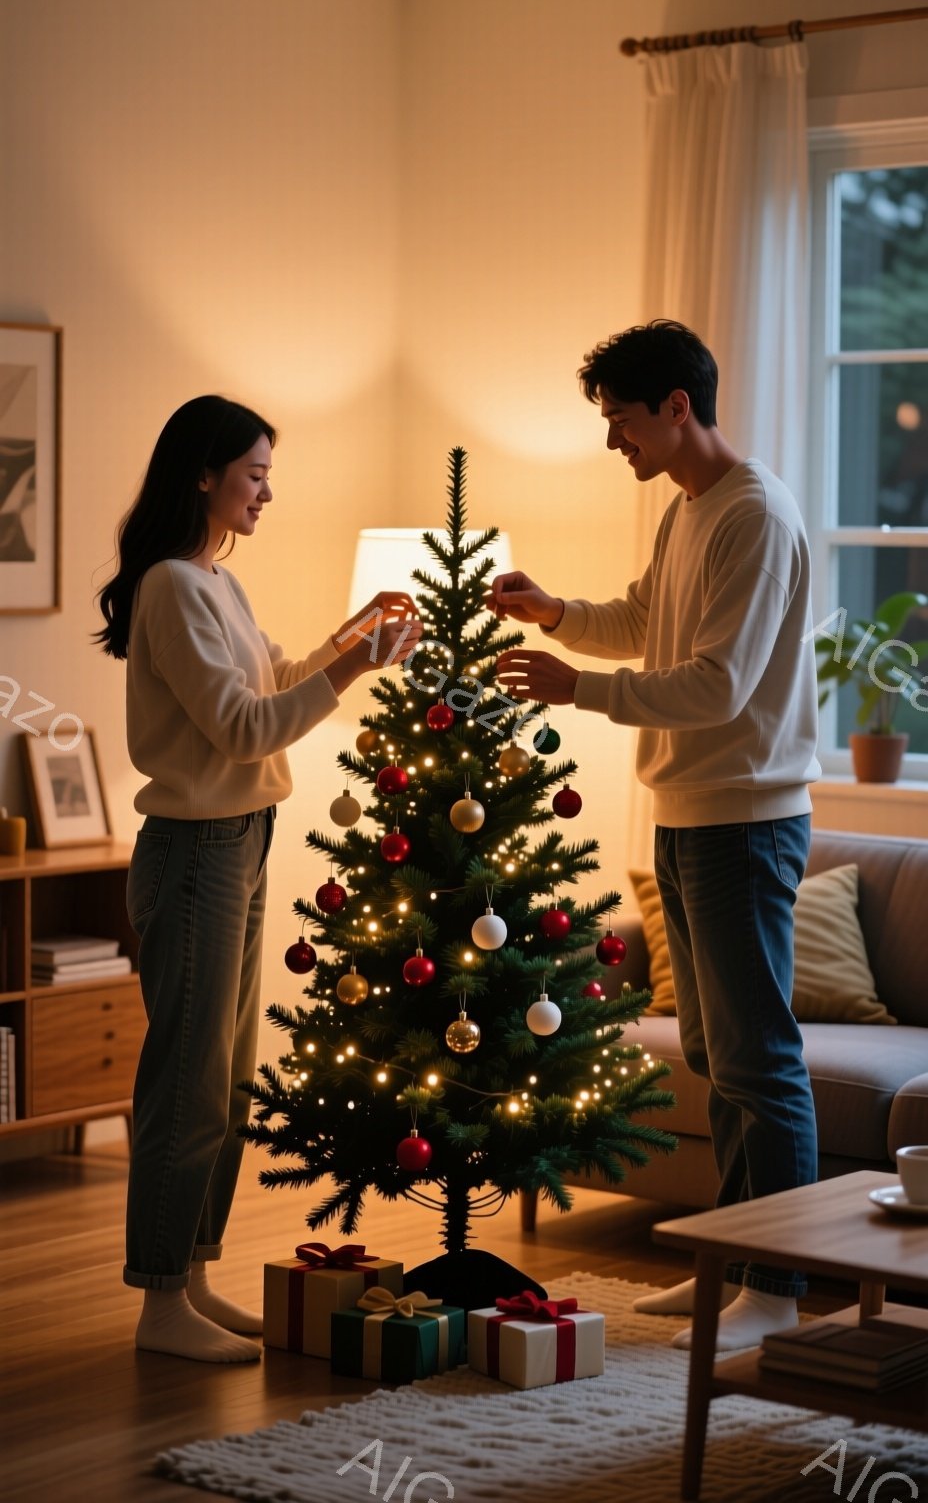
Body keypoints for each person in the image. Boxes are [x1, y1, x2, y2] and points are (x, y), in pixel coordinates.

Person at [489, 319, 821, 1353]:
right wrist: (555, 615)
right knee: (718, 1054)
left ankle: (780, 1282)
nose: (611, 441)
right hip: (688, 815)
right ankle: (732, 1263)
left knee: (759, 1059)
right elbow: (644, 618)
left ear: (676, 407)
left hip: (743, 820)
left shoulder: (753, 515)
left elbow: (718, 685)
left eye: (620, 419)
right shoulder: (690, 511)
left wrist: (578, 689)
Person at [95, 394, 421, 1363]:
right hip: (195, 853)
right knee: (186, 1083)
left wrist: (347, 640)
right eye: (255, 473)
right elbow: (243, 726)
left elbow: (275, 676)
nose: (267, 492)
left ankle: (188, 1276)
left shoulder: (215, 583)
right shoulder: (170, 588)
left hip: (241, 840)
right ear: (203, 472)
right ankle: (159, 1301)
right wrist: (350, 669)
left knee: (227, 1082)